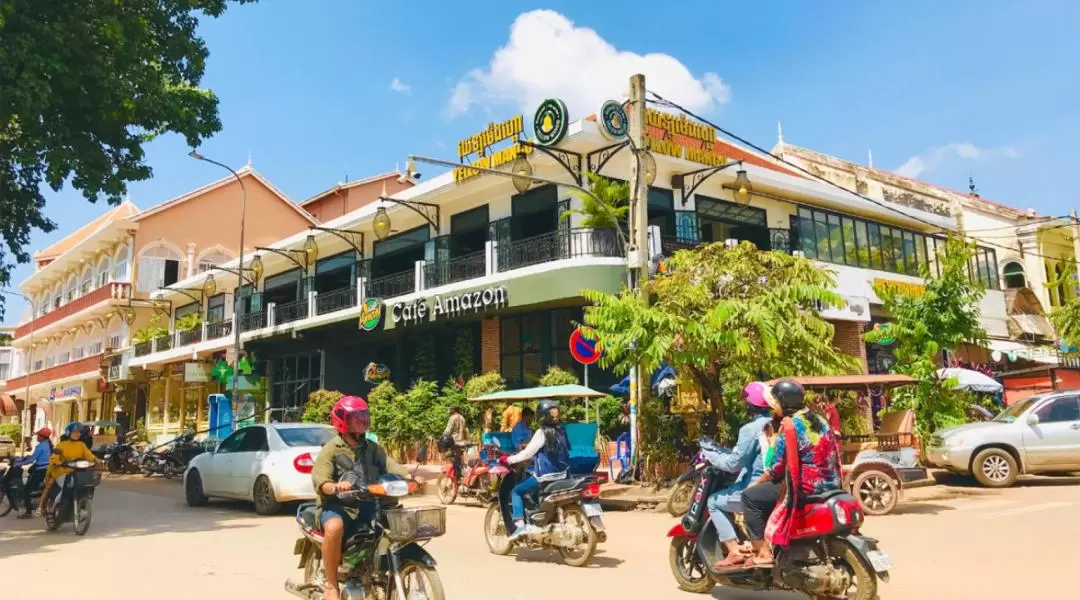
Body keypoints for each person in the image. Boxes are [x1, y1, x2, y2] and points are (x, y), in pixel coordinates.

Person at [311, 395, 423, 600]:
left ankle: (376, 570)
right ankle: (332, 585)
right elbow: (321, 481)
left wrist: (410, 476)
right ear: (343, 420)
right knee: (334, 527)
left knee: (395, 524)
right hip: (337, 507)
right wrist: (335, 486)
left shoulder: (371, 447)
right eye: (356, 417)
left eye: (364, 415)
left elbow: (389, 464)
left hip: (368, 503)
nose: (363, 420)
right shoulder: (331, 450)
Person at [741, 378, 842, 568]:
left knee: (749, 497)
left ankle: (763, 552)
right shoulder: (819, 419)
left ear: (784, 403)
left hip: (805, 486)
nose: (775, 406)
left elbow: (775, 469)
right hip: (831, 483)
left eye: (777, 402)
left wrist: (756, 483)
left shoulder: (789, 425)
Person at [707, 382, 775, 570]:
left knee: (713, 502)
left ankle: (734, 551)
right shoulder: (777, 423)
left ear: (750, 405)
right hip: (776, 485)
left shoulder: (750, 429)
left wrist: (710, 455)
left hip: (755, 488)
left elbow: (733, 464)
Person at [499, 398, 570, 541]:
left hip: (545, 477)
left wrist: (509, 460)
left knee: (516, 491)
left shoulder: (541, 432)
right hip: (563, 475)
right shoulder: (562, 431)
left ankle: (520, 527)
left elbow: (527, 453)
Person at [40, 422, 97, 514]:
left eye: (78, 432)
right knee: (65, 488)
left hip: (77, 472)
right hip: (62, 472)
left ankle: (81, 505)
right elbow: (54, 457)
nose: (76, 434)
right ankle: (53, 508)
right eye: (74, 432)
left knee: (85, 485)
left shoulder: (81, 445)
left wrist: (99, 462)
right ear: (68, 432)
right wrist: (57, 462)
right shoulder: (62, 445)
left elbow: (90, 456)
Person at [13, 428, 52, 519]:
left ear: (43, 437)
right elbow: (33, 457)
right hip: (45, 469)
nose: (37, 437)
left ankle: (28, 512)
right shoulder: (46, 445)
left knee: (26, 490)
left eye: (39, 436)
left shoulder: (41, 446)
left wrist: (18, 464)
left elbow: (32, 459)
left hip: (41, 470)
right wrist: (23, 459)